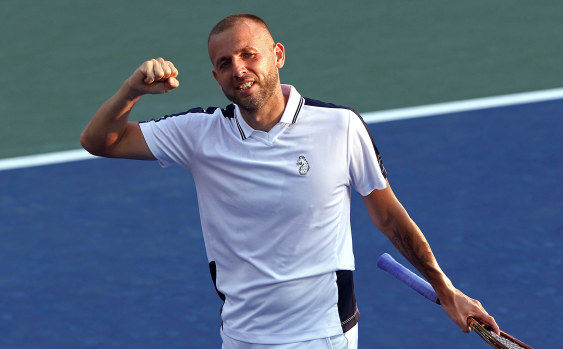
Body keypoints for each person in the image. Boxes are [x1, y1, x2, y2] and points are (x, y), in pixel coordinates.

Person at [80, 13, 499, 349]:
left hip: (325, 336)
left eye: (249, 55)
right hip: (243, 337)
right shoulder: (198, 133)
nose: (239, 69)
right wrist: (130, 91)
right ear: (215, 77)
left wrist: (446, 289)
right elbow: (100, 141)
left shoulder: (340, 127)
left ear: (277, 55)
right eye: (225, 63)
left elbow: (390, 218)